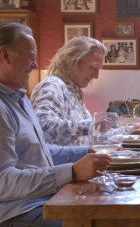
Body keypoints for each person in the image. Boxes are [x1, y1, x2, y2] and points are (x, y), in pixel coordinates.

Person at [0, 22, 112, 226]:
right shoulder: (6, 105)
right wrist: (72, 171)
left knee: (108, 210)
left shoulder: (19, 98)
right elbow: (3, 183)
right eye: (30, 57)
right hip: (17, 211)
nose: (35, 65)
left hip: (45, 197)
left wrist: (86, 151)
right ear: (5, 55)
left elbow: (41, 151)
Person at [30, 36, 107, 146]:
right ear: (73, 62)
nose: (96, 76)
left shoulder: (73, 91)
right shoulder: (52, 86)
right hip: (61, 163)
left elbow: (83, 138)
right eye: (94, 68)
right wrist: (90, 125)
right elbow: (44, 126)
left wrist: (128, 130)